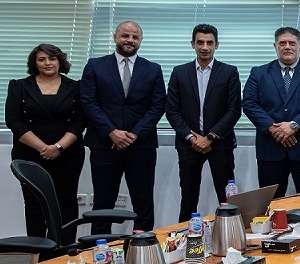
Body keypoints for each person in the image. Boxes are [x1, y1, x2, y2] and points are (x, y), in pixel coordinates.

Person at [80, 21, 166, 233]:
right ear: (115, 37)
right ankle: (100, 247)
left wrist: (134, 134)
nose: (130, 40)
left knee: (143, 202)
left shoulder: (153, 69)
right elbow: (89, 102)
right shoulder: (95, 65)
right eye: (125, 35)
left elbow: (157, 106)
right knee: (103, 202)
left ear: (141, 41)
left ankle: (142, 247)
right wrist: (111, 132)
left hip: (141, 146)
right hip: (104, 145)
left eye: (135, 37)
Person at [5, 44, 87, 245]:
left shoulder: (75, 87)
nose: (47, 63)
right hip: (29, 153)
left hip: (68, 154)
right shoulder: (19, 86)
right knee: (34, 203)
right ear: (34, 63)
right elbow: (14, 121)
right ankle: (37, 252)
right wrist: (43, 148)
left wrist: (58, 147)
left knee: (66, 201)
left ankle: (63, 251)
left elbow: (80, 121)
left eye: (52, 58)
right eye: (41, 59)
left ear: (60, 61)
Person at [242, 27, 300, 198]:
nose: (287, 47)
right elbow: (249, 103)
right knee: (271, 204)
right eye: (282, 43)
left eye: (292, 43)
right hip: (271, 149)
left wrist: (294, 125)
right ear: (275, 46)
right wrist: (273, 129)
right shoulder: (259, 73)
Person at [165, 24, 242, 222]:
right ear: (193, 44)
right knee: (188, 199)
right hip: (188, 144)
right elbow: (171, 110)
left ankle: (230, 235)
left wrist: (210, 137)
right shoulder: (179, 72)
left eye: (209, 43)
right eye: (200, 42)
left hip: (220, 144)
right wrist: (192, 137)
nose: (205, 47)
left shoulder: (229, 72)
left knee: (227, 199)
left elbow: (234, 110)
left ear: (217, 45)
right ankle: (184, 236)